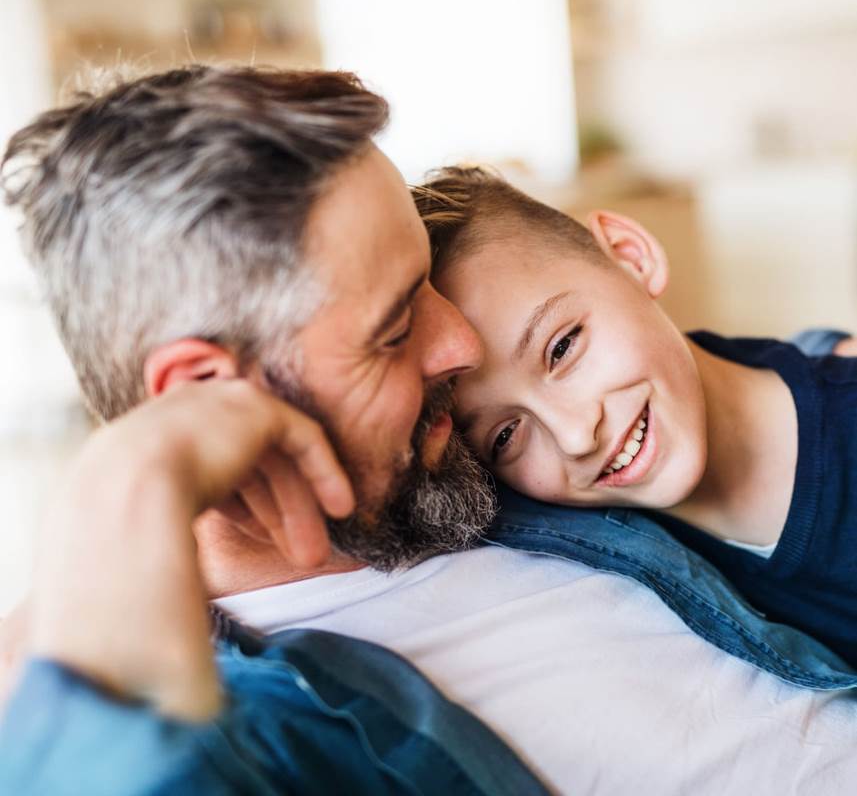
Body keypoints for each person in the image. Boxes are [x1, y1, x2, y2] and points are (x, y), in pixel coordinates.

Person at [2, 65, 857, 795]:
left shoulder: (455, 480)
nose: (458, 344)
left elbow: (694, 391)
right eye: (393, 328)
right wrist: (120, 488)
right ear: (200, 389)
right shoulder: (256, 712)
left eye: (425, 278)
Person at [416, 165, 857, 668]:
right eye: (506, 436)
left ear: (630, 256)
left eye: (561, 348)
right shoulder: (581, 558)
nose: (576, 434)